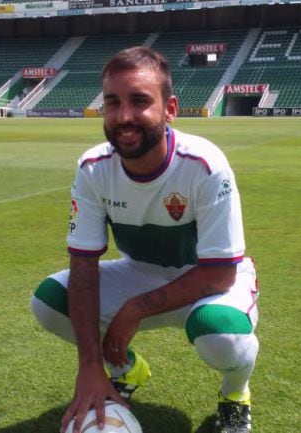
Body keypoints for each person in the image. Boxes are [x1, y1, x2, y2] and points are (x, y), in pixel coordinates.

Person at [30, 46, 259, 433]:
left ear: (170, 108)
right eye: (112, 102)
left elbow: (219, 276)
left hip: (208, 283)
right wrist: (89, 367)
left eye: (139, 101)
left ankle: (236, 393)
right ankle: (125, 368)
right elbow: (83, 266)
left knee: (219, 332)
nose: (124, 117)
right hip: (140, 271)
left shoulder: (205, 165)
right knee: (49, 302)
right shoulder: (92, 168)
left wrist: (134, 309)